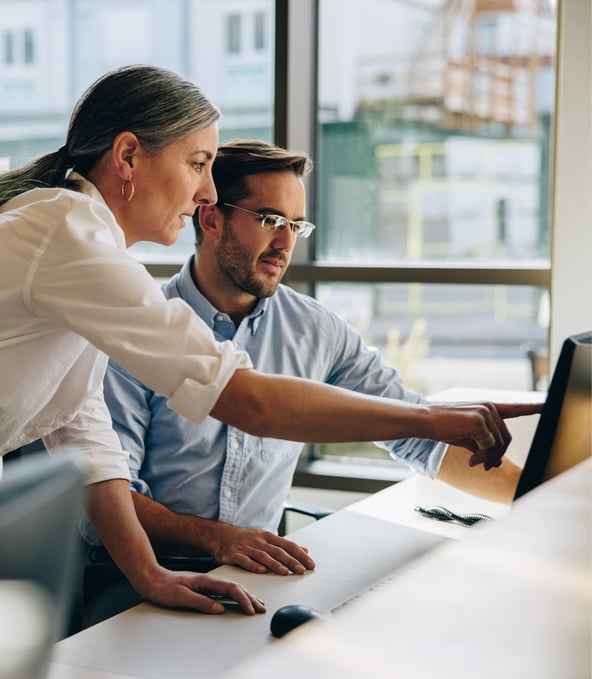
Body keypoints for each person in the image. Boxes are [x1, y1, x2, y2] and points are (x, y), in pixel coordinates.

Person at [0, 65, 540, 619]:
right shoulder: (70, 235)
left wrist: (152, 576)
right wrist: (430, 419)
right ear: (129, 155)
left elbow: (87, 440)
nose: (204, 191)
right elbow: (247, 401)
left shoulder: (84, 254)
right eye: (198, 164)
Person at [95, 139, 536, 584]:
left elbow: (420, 436)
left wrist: (537, 498)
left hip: (258, 576)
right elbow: (112, 493)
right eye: (270, 220)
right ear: (211, 218)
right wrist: (220, 539)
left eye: (296, 226)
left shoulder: (315, 330)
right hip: (143, 575)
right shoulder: (140, 329)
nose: (285, 244)